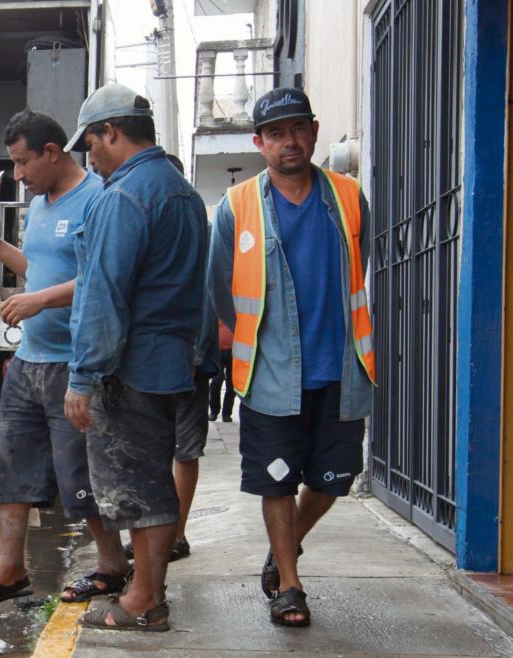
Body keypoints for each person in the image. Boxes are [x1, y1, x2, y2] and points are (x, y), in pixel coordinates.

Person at [207, 87, 376, 627]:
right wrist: (257, 340)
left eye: (297, 129)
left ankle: (288, 544)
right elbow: (220, 289)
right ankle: (289, 583)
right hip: (271, 373)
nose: (289, 142)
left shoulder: (350, 197)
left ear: (315, 131)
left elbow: (359, 263)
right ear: (259, 143)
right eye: (276, 134)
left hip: (341, 369)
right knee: (276, 480)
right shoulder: (236, 207)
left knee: (333, 478)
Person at [0, 110, 128, 613]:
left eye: (23, 162)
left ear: (52, 153)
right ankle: (10, 572)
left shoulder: (97, 200)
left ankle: (113, 564)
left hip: (73, 365)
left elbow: (103, 279)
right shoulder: (40, 203)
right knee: (10, 470)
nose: (18, 175)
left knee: (80, 478)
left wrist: (37, 302)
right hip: (29, 360)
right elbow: (38, 269)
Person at [62, 84, 208, 632]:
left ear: (112, 133)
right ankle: (148, 592)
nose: (89, 156)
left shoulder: (123, 196)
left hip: (131, 367)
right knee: (153, 481)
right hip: (169, 363)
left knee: (138, 488)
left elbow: (103, 295)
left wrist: (83, 376)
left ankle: (145, 599)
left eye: (90, 144)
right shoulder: (181, 190)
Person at [120, 154, 218, 566]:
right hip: (158, 359)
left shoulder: (199, 230)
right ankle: (157, 537)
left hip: (189, 361)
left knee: (182, 450)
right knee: (156, 452)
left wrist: (196, 353)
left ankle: (176, 534)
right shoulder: (154, 226)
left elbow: (209, 295)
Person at [209, 320, 236, 422]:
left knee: (232, 385)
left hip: (235, 352)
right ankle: (214, 411)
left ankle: (227, 414)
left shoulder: (238, 310)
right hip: (218, 352)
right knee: (216, 382)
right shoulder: (217, 309)